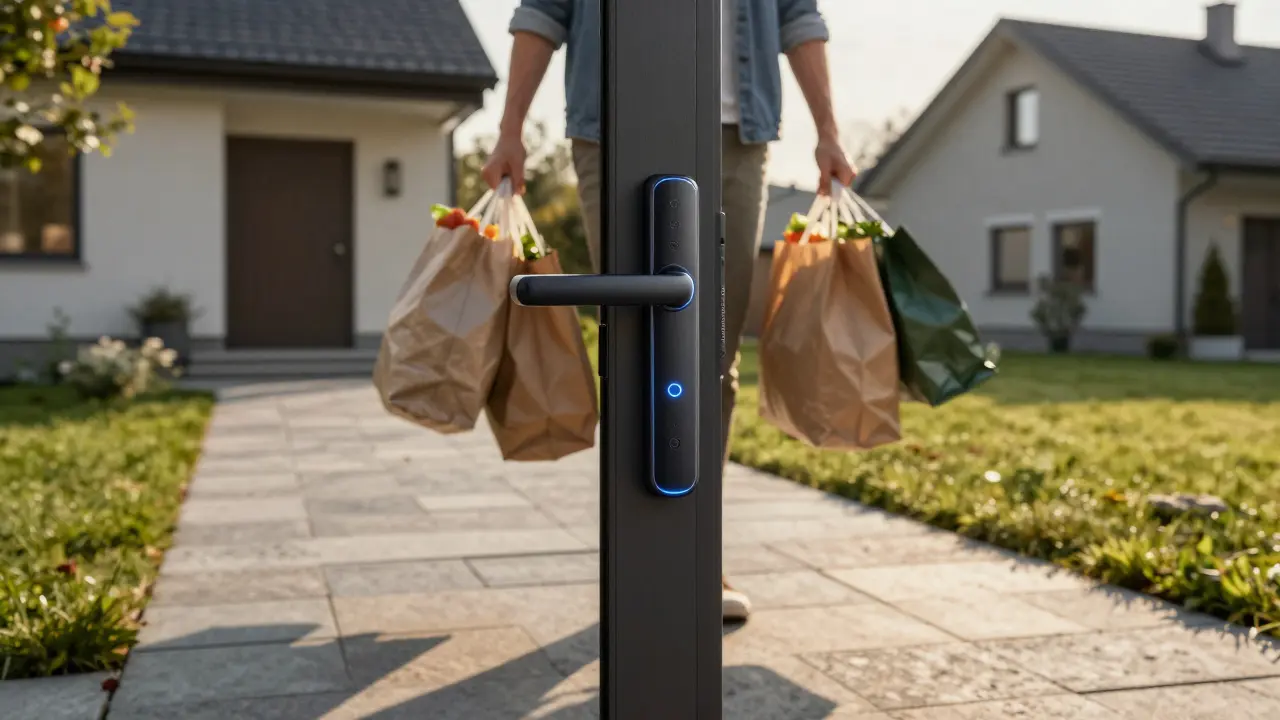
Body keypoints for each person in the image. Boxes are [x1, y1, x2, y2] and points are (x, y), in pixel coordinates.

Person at [483, 0, 855, 623]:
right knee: (633, 343)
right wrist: (509, 130)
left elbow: (798, 17)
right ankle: (639, 549)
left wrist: (829, 132)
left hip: (736, 133)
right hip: (613, 126)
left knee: (711, 353)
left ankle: (699, 553)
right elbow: (544, 11)